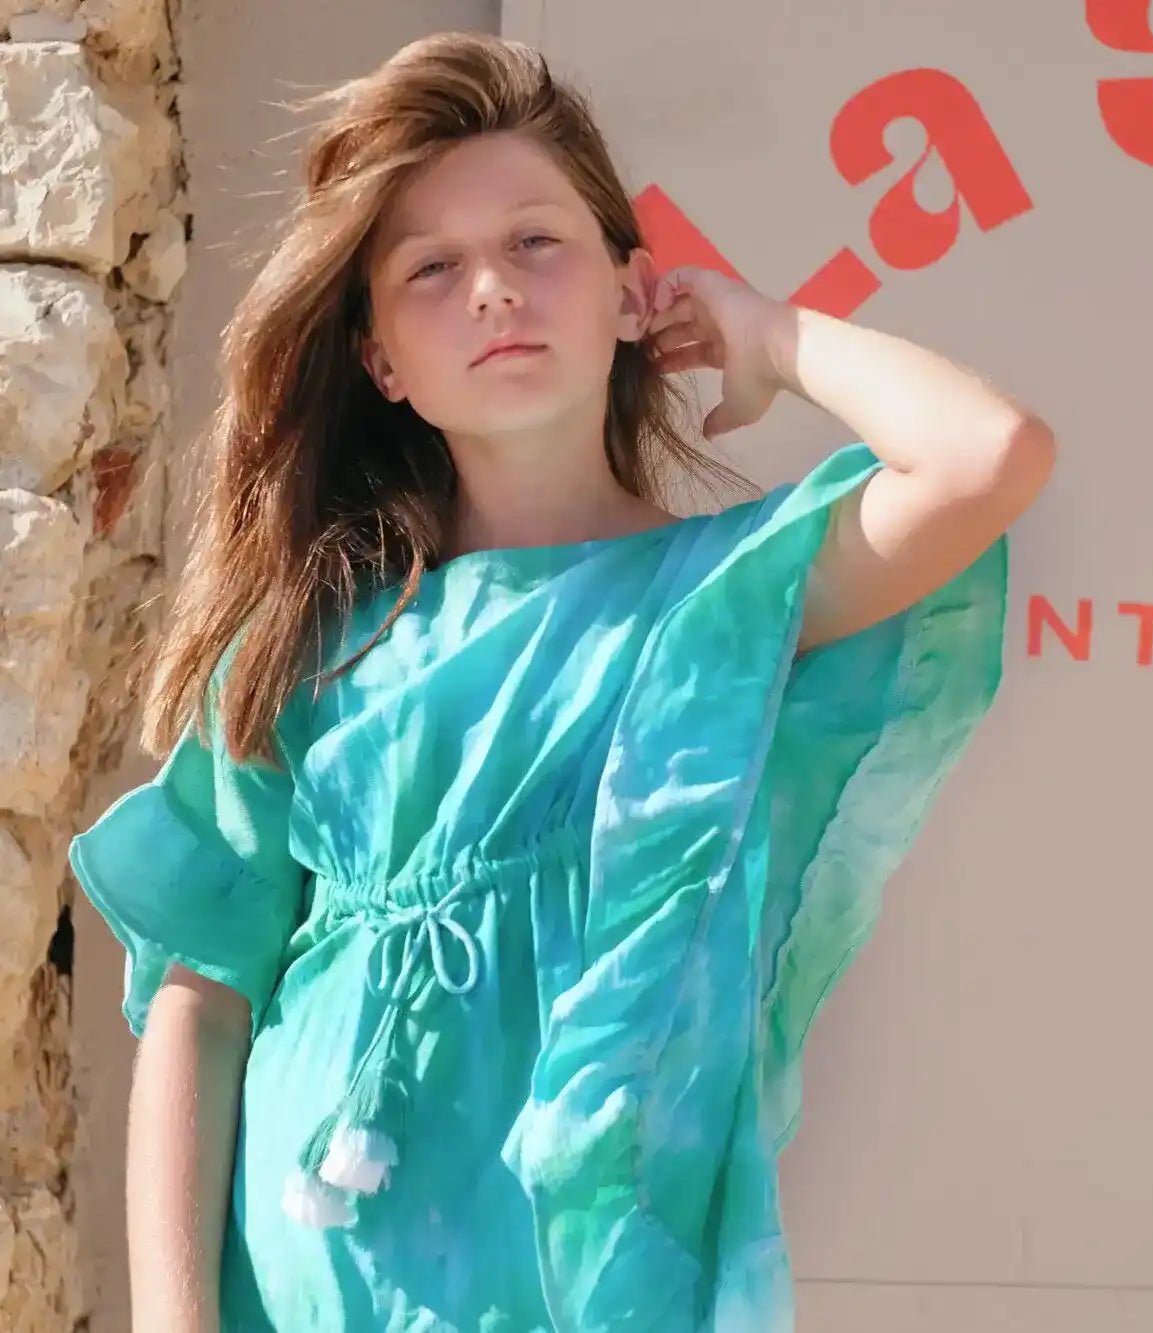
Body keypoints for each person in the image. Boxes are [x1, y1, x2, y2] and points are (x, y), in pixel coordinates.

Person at [68, 30, 1053, 1333]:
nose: (494, 289)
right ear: (379, 363)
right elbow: (199, 1001)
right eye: (431, 267)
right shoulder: (306, 642)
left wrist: (767, 332)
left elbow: (989, 455)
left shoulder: (721, 600)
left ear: (629, 293)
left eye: (538, 242)